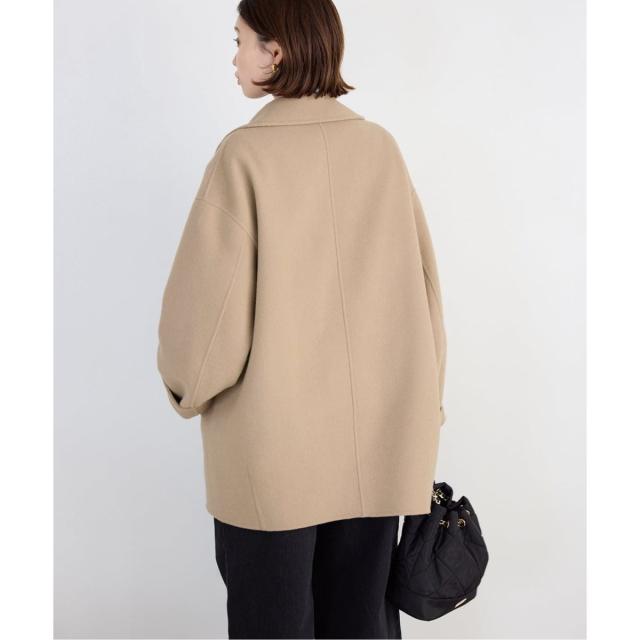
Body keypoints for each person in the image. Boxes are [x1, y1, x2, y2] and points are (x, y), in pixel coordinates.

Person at [156, 0, 447, 637]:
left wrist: (184, 388)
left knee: (273, 624)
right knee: (360, 624)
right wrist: (423, 413)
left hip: (272, 458)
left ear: (276, 51)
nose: (234, 56)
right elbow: (425, 296)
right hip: (378, 449)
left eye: (240, 39)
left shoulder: (244, 156)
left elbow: (205, 327)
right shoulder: (379, 149)